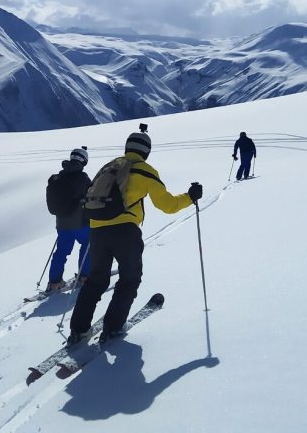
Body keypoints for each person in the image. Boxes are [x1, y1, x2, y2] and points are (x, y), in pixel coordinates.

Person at [68, 129, 202, 344]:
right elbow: (167, 205)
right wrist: (190, 197)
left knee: (95, 281)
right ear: (146, 151)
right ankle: (112, 327)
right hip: (125, 231)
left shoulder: (108, 166)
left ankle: (78, 329)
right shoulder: (145, 170)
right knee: (129, 279)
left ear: (127, 147)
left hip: (97, 230)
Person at [45, 147, 92, 292]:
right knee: (88, 246)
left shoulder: (58, 177)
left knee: (61, 252)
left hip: (62, 224)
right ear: (84, 161)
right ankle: (85, 277)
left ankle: (54, 282)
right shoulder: (82, 178)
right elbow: (92, 196)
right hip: (80, 223)